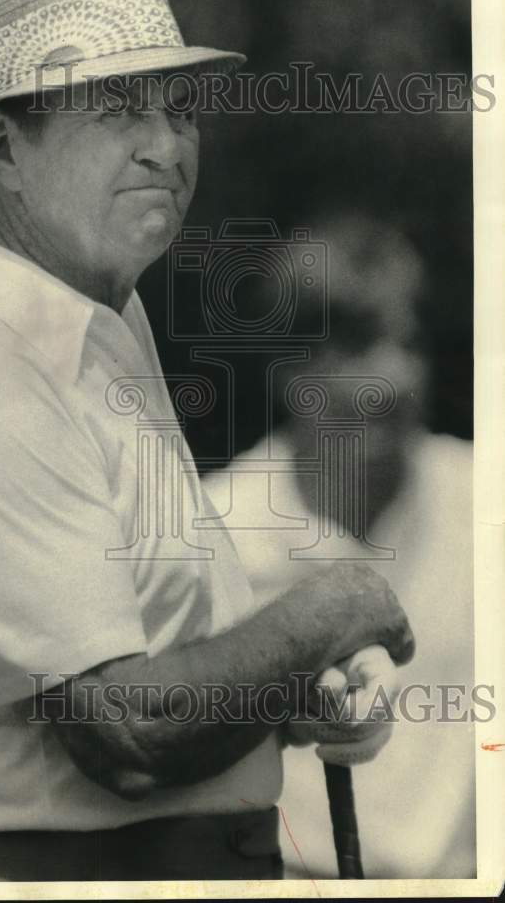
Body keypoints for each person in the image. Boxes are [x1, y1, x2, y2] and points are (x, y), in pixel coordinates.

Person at [0, 0, 414, 883]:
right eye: (117, 109)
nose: (165, 144)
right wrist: (327, 612)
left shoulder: (91, 331)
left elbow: (151, 673)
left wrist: (287, 696)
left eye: (180, 108)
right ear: (1, 145)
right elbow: (129, 732)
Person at [204, 214, 475, 877]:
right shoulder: (213, 529)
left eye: (407, 342)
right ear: (288, 371)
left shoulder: (481, 498)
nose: (394, 376)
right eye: (355, 345)